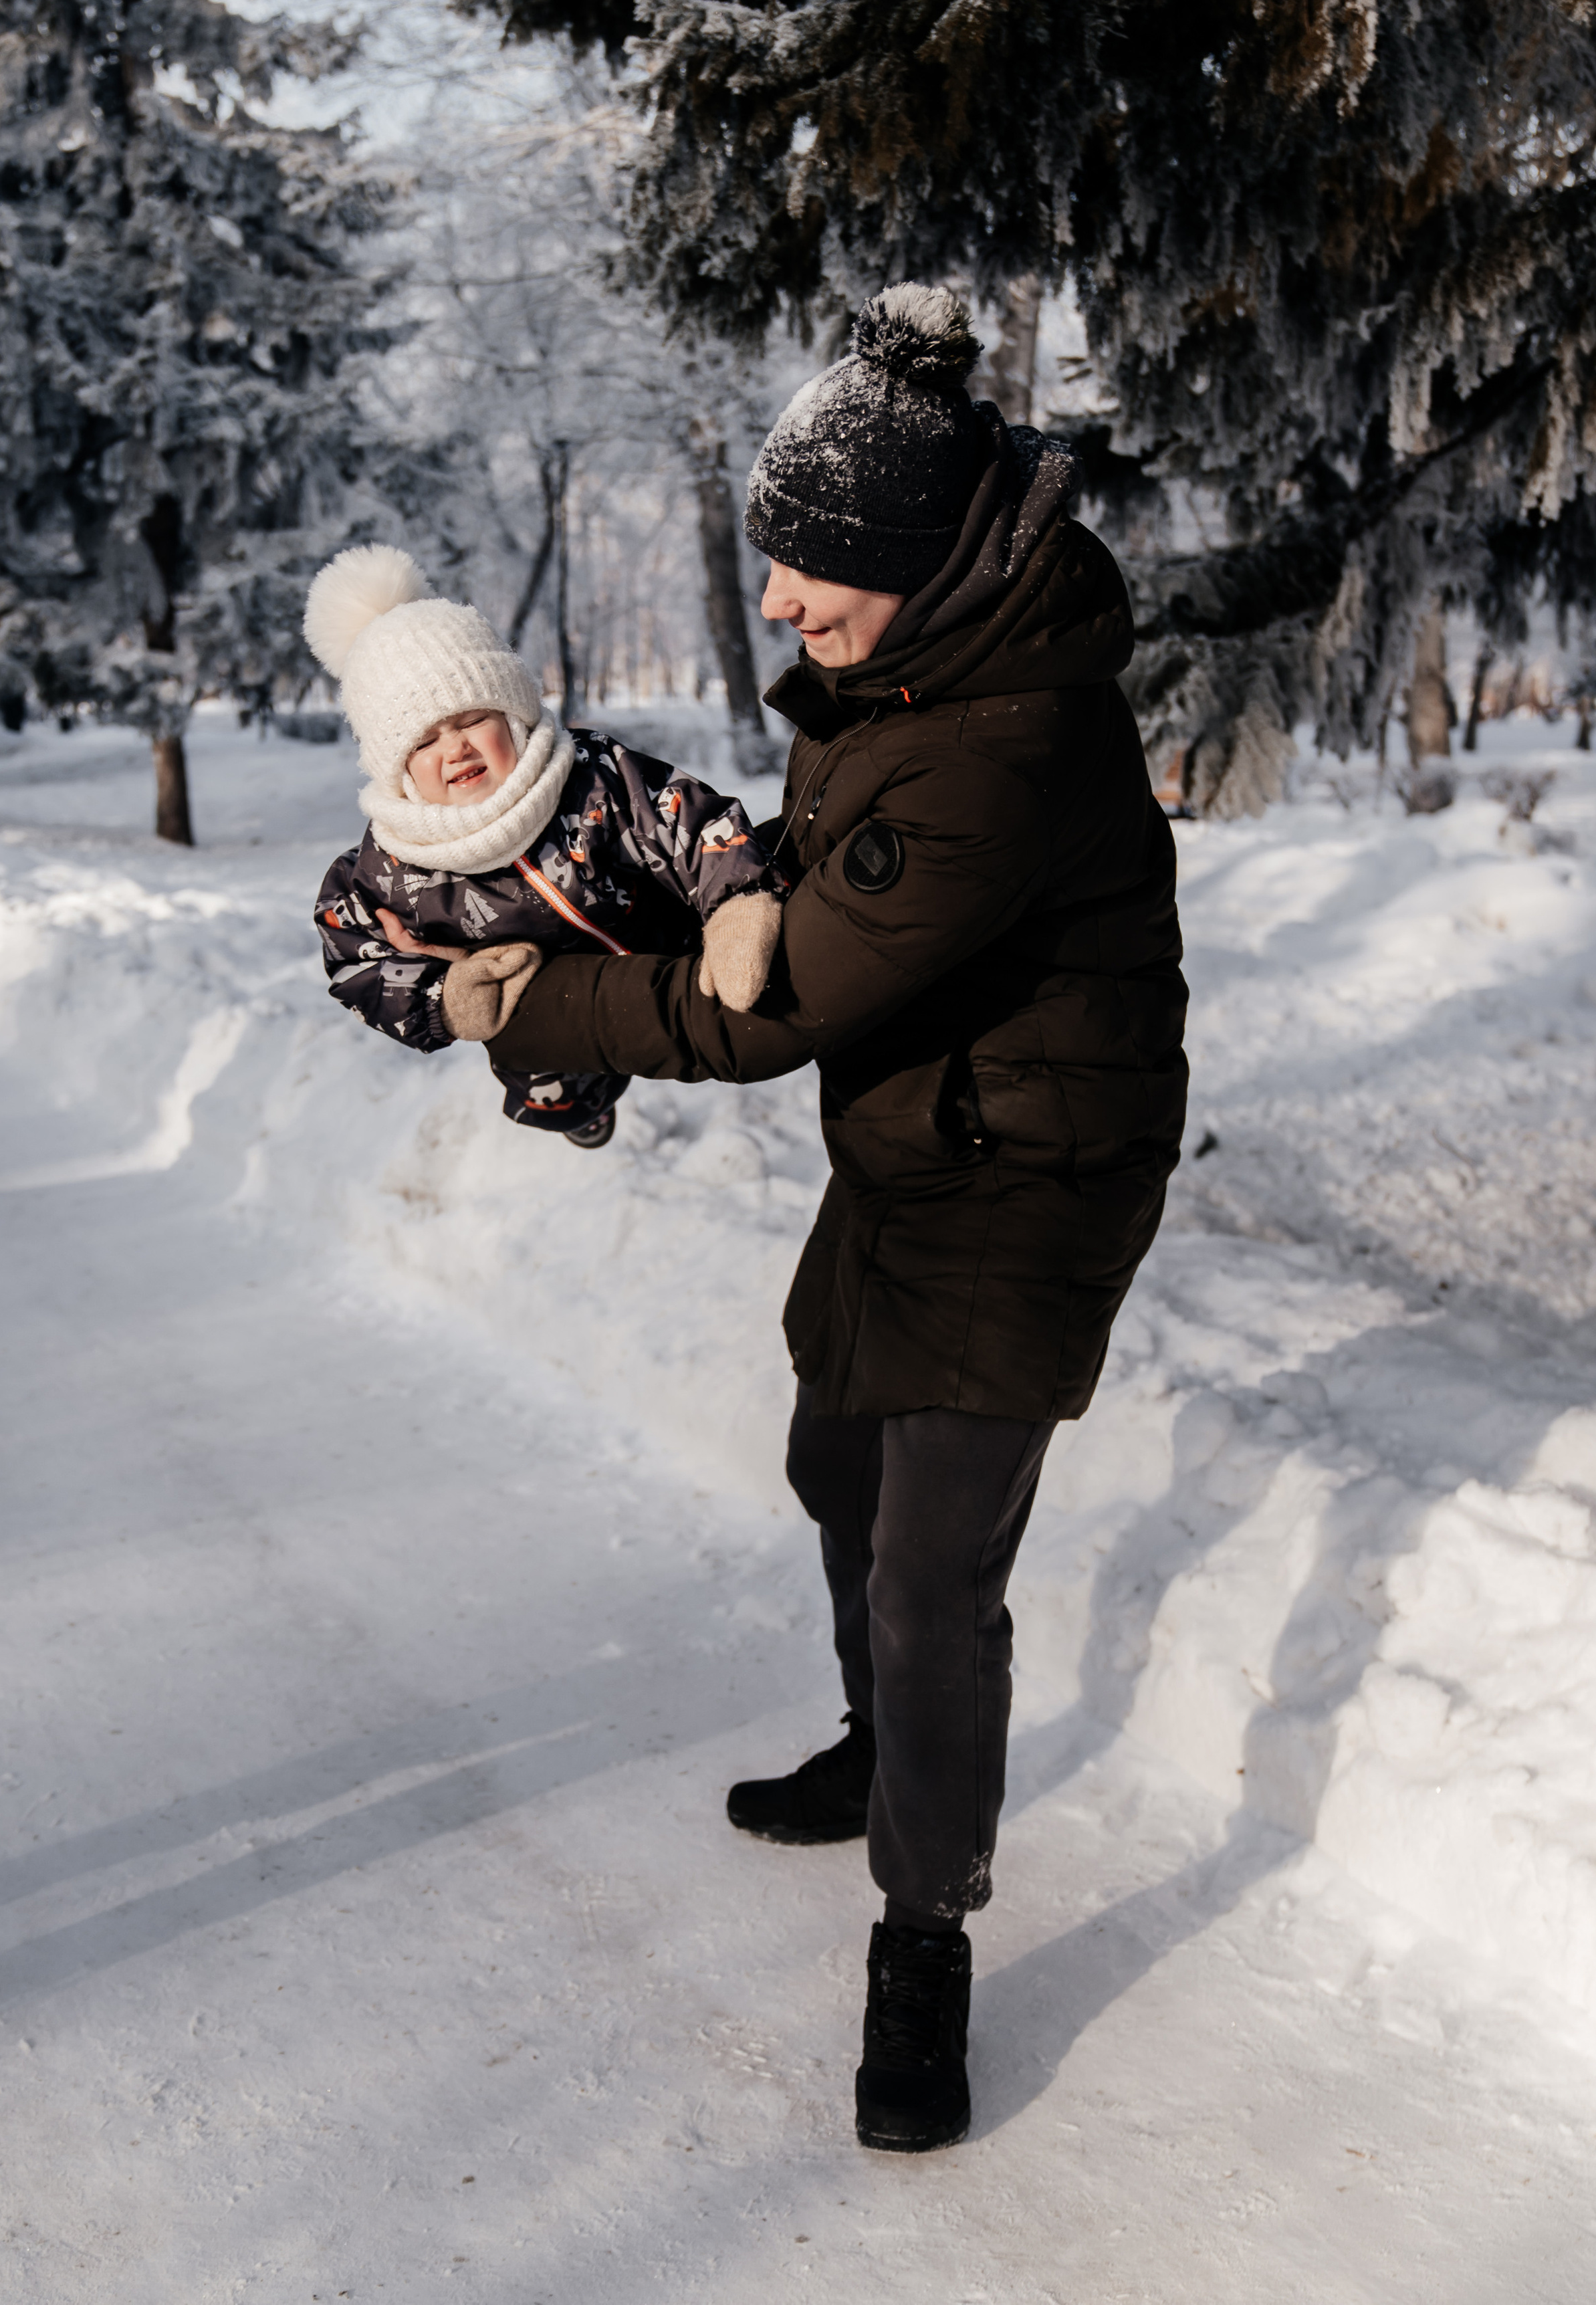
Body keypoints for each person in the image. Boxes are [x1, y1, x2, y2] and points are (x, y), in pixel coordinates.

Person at [463, 283, 1187, 2152]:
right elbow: (800, 886)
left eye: (805, 569)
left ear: (916, 560)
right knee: (835, 1470)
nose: (776, 600)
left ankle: (923, 1941)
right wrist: (654, 870)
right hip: (918, 1147)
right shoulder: (915, 668)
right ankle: (884, 1745)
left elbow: (775, 1002)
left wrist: (530, 1004)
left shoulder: (998, 746)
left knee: (931, 1568)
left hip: (1024, 1186)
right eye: (772, 563)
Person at [304, 544, 785, 1140]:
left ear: (516, 713)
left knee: (738, 1009)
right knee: (560, 1095)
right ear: (396, 770)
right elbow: (351, 950)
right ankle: (587, 1112)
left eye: (472, 719)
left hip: (674, 956)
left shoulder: (589, 776)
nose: (455, 748)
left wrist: (737, 900)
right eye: (424, 741)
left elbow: (682, 819)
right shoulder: (394, 860)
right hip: (548, 1025)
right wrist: (445, 997)